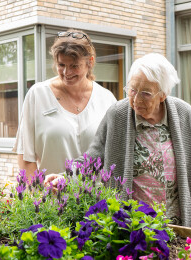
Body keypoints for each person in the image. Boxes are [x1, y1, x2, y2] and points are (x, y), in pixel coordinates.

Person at [46, 53, 191, 228]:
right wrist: (65, 178)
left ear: (163, 94)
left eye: (145, 94)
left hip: (179, 226)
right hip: (132, 227)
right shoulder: (117, 114)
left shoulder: (184, 114)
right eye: (132, 90)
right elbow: (92, 159)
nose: (136, 100)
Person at [13, 29, 117, 180]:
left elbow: (114, 155)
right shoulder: (37, 95)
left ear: (90, 62)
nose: (66, 72)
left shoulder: (107, 99)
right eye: (61, 64)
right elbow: (26, 156)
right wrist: (38, 194)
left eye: (74, 66)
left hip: (97, 201)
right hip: (52, 198)